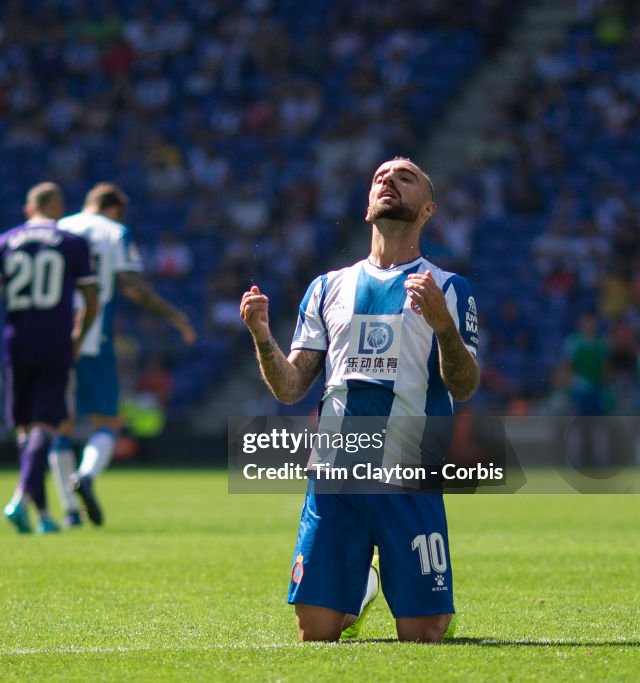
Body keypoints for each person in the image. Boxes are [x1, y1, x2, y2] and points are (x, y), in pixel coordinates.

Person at [240, 158, 480, 643]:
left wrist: (444, 327)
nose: (388, 180)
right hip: (335, 476)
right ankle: (362, 587)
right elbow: (290, 386)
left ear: (428, 208)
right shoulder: (328, 287)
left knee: (424, 634)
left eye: (405, 177)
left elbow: (465, 384)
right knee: (315, 632)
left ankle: (375, 586)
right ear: (368, 203)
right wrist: (262, 336)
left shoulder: (449, 288)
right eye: (379, 178)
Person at [48, 182, 196, 527]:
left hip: (52, 337)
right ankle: (85, 476)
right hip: (92, 338)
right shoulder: (115, 232)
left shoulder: (59, 228)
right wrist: (175, 316)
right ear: (114, 209)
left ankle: (70, 512)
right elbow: (133, 287)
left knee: (61, 426)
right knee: (108, 421)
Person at [0, 182, 98, 534]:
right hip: (54, 342)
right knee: (46, 426)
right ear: (58, 206)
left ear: (27, 210)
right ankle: (22, 499)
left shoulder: (2, 243)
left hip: (16, 343)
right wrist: (78, 336)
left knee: (24, 429)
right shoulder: (72, 244)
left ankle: (45, 518)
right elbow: (92, 299)